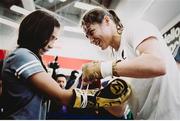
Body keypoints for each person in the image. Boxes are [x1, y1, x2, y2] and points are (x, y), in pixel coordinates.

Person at [1, 10, 131, 119]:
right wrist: (102, 96)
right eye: (51, 37)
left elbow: (60, 96)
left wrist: (85, 85)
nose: (52, 45)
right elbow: (60, 95)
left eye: (55, 39)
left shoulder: (28, 57)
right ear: (37, 32)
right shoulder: (22, 56)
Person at [80, 7, 180, 119]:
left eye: (91, 32)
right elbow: (119, 110)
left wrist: (101, 69)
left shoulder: (134, 28)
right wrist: (97, 94)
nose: (91, 40)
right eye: (87, 36)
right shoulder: (114, 59)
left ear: (107, 20)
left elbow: (158, 64)